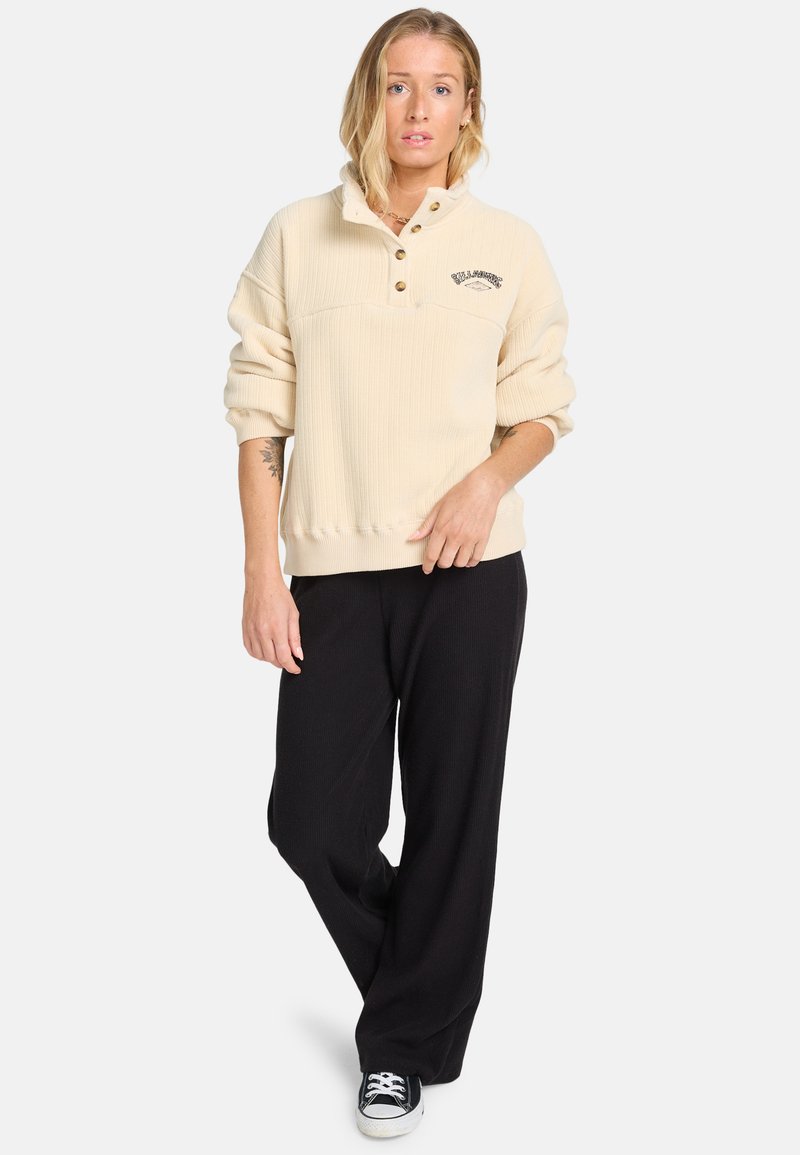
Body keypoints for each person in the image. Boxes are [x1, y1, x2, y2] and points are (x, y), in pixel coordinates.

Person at [223, 7, 576, 1139]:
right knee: (309, 821)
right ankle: (419, 997)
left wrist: (484, 485)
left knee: (452, 817)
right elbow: (258, 413)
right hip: (332, 574)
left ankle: (401, 1052)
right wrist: (262, 573)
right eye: (397, 84)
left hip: (470, 573)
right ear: (367, 98)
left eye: (442, 87)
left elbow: (541, 406)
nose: (418, 108)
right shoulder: (296, 236)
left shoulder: (507, 244)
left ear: (468, 109)